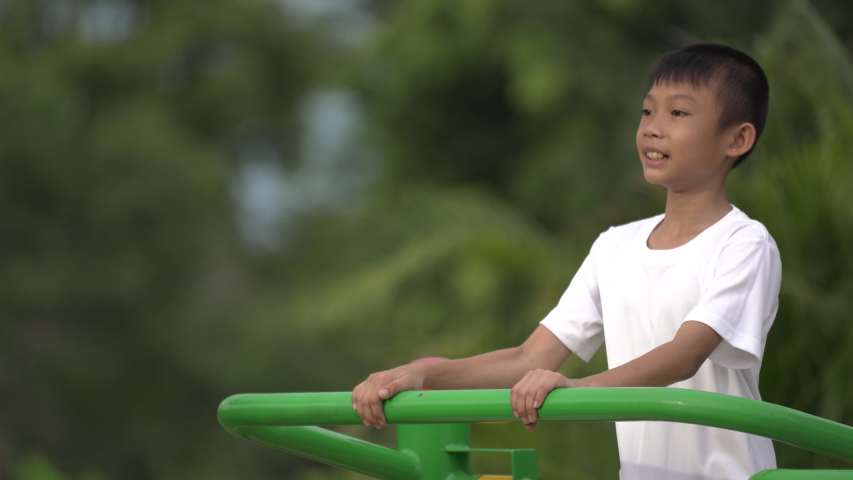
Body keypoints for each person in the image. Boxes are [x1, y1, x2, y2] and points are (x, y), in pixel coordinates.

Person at [352, 43, 780, 480]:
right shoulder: (615, 247)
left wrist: (577, 389)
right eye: (647, 112)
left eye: (679, 114)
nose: (652, 128)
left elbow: (686, 353)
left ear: (737, 139)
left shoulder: (743, 243)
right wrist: (420, 376)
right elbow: (528, 357)